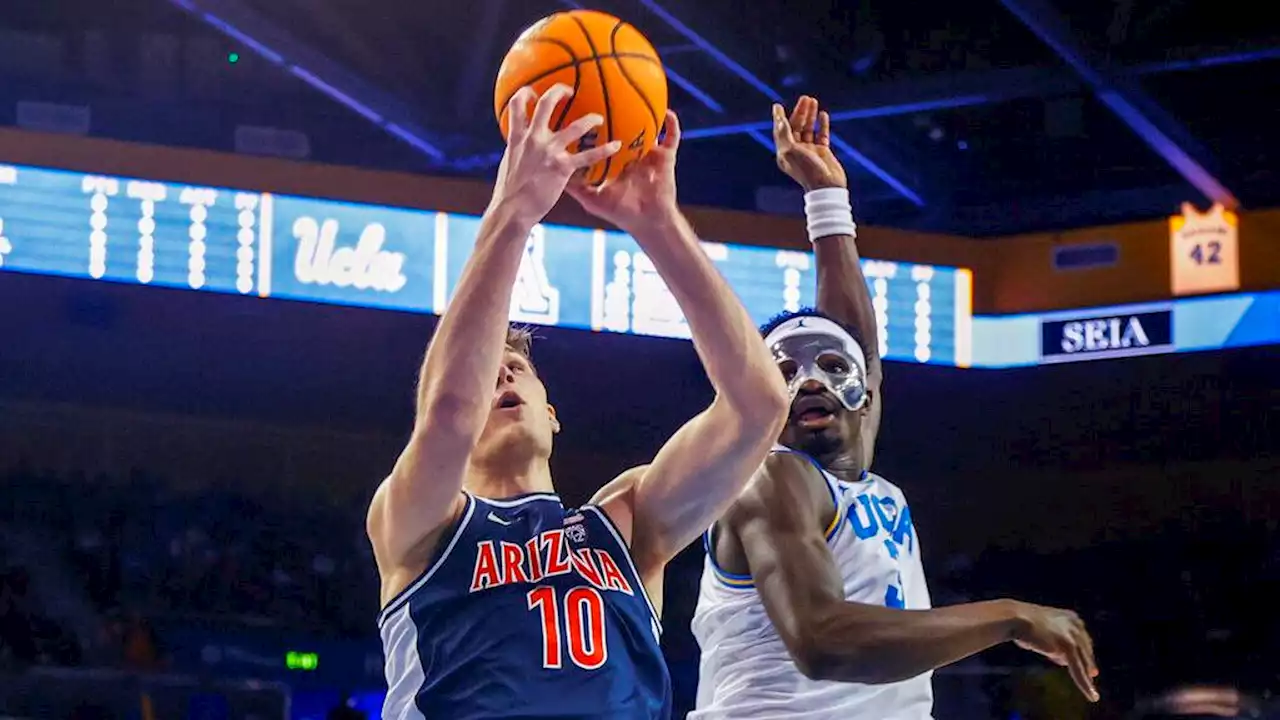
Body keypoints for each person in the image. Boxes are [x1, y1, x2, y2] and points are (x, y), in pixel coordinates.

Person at [366, 83, 789, 720]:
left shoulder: (624, 523)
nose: (500, 382)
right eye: (489, 376)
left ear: (553, 413)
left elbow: (759, 405)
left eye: (516, 370)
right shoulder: (419, 522)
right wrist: (511, 213)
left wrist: (659, 224)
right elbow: (449, 413)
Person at [690, 96, 1101, 719]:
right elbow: (822, 641)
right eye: (785, 373)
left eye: (829, 369)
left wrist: (828, 201)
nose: (808, 382)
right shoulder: (772, 477)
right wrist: (1009, 616)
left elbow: (855, 343)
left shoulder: (863, 480)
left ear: (864, 391)